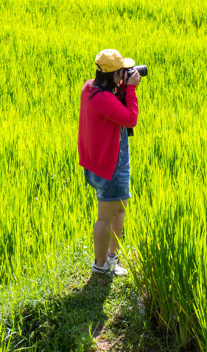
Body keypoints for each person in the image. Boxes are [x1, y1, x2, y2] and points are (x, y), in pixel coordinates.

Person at [77, 48, 141, 276]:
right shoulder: (103, 99)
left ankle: (112, 259)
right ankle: (100, 265)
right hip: (111, 165)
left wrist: (122, 85)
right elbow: (130, 118)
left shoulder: (90, 88)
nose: (127, 73)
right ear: (113, 75)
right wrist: (131, 88)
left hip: (106, 159)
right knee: (106, 217)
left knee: (120, 208)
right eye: (122, 71)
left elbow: (113, 107)